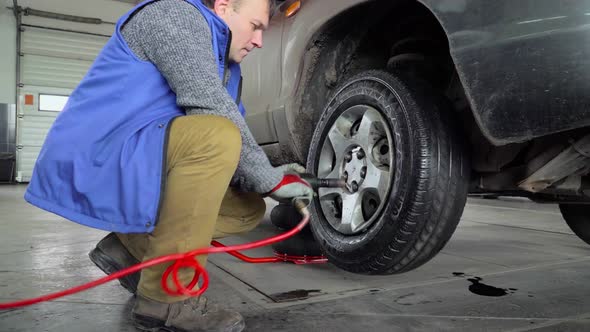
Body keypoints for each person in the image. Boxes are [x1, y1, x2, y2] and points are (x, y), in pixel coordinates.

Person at [24, 0, 314, 331]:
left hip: (140, 158)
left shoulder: (227, 67)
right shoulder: (174, 14)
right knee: (216, 134)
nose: (260, 40)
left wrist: (277, 178)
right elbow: (213, 113)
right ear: (223, 7)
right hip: (98, 155)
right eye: (256, 26)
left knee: (246, 207)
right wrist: (269, 179)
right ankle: (166, 301)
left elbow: (230, 160)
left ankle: (128, 249)